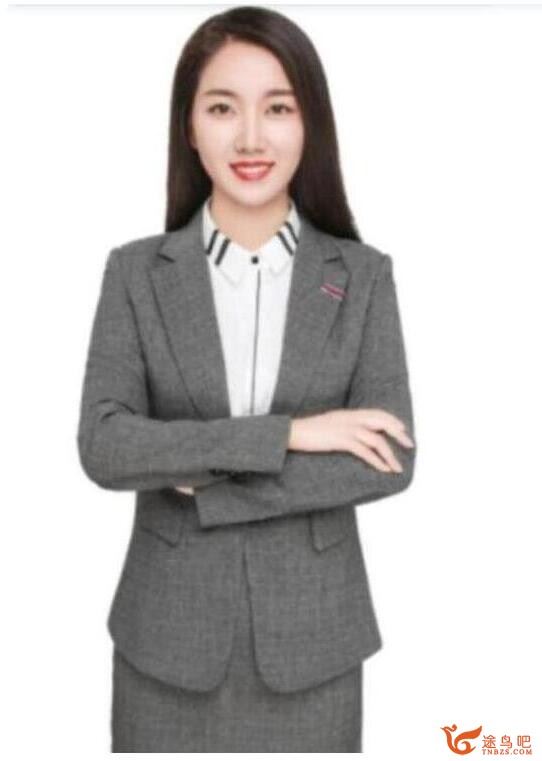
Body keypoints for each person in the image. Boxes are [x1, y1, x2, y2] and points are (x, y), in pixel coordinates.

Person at [76, 5, 416, 753]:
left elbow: (389, 458)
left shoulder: (363, 277)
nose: (252, 138)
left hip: (315, 645)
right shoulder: (135, 272)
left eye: (279, 108)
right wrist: (292, 434)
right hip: (165, 643)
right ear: (190, 127)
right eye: (223, 108)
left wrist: (204, 483)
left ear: (310, 123)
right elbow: (105, 445)